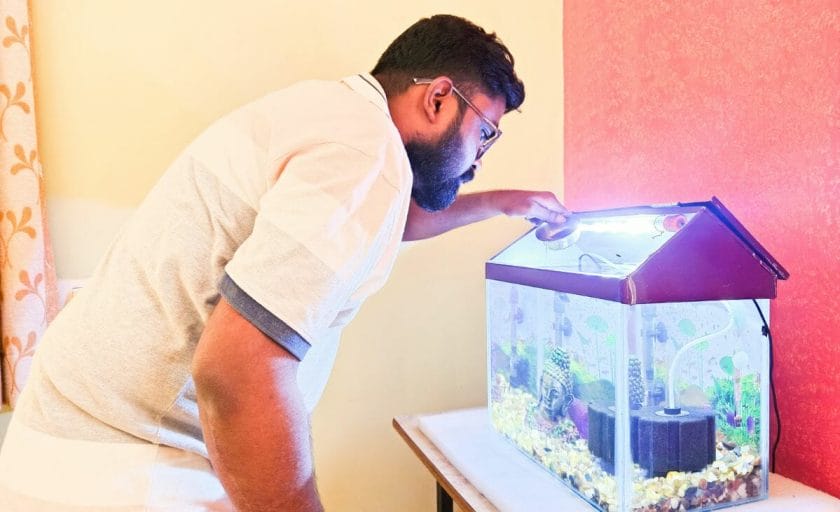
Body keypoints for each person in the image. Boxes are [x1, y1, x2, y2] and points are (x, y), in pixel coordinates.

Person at [0, 14, 568, 511]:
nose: (478, 160)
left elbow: (391, 223)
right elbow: (239, 372)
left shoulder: (333, 118)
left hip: (77, 444)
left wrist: (503, 203)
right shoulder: (364, 155)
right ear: (439, 98)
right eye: (485, 133)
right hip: (128, 474)